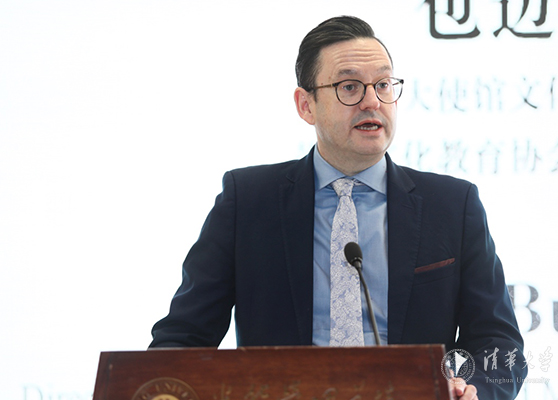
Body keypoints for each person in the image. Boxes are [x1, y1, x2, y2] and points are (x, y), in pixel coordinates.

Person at [150, 15, 526, 400]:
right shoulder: (247, 201)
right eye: (349, 87)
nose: (372, 102)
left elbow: (499, 342)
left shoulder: (451, 205)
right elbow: (184, 336)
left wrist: (474, 389)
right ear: (306, 105)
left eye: (383, 85)